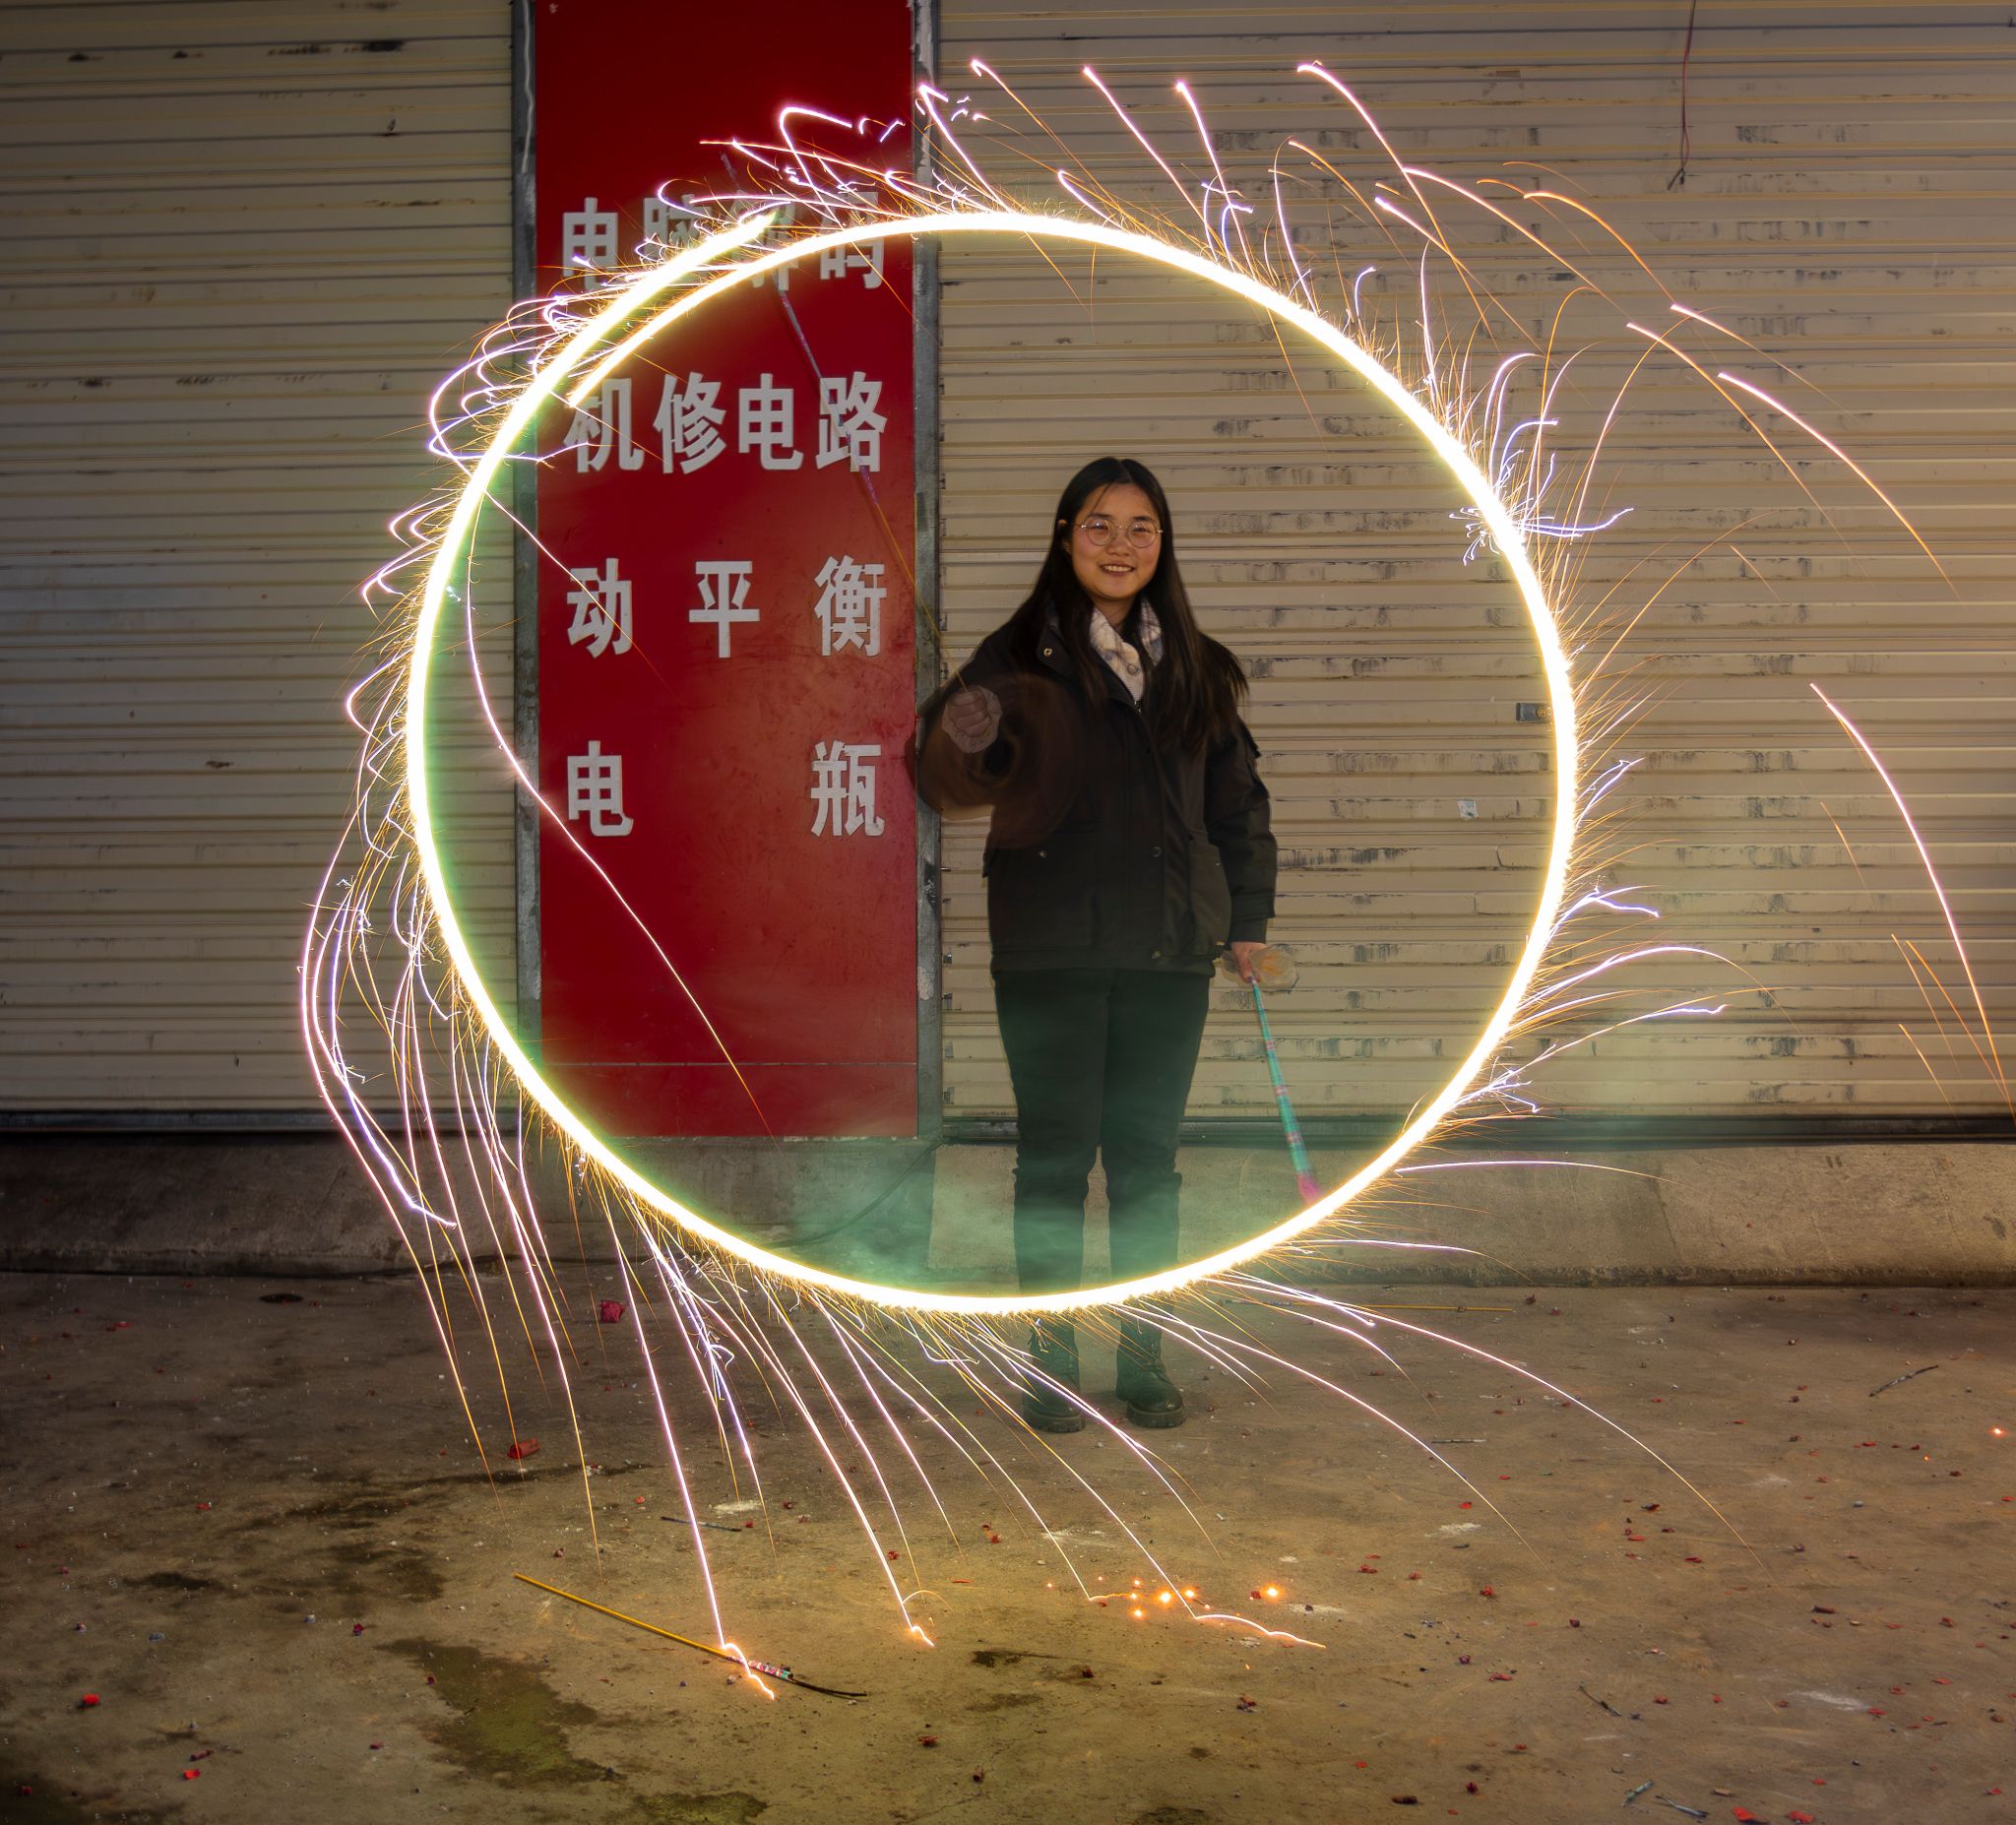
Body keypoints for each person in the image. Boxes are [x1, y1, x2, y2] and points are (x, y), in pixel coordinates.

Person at [917, 456, 1277, 1433]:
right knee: (1052, 1163)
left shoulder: (1196, 666)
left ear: (1163, 543)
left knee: (1147, 1165)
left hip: (1167, 950)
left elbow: (1237, 808)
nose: (1120, 546)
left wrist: (1246, 923)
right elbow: (945, 771)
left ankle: (1144, 1359)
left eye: (1140, 527)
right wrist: (964, 731)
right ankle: (1051, 1362)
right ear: (1065, 537)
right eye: (1098, 526)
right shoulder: (1016, 655)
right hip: (1052, 952)